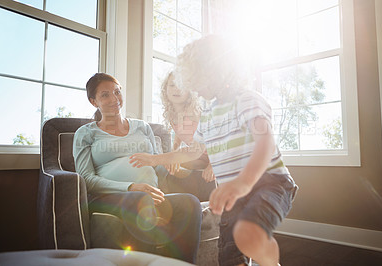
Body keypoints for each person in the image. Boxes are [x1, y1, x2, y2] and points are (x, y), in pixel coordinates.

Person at [129, 35, 298, 266]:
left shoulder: (247, 100)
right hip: (233, 196)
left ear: (218, 70)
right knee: (230, 256)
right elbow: (192, 151)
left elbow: (265, 143)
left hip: (269, 184)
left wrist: (243, 183)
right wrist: (154, 158)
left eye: (197, 77)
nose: (193, 85)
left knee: (250, 236)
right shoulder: (208, 113)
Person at [72, 73, 202, 264]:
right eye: (105, 95)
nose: (115, 99)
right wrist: (131, 187)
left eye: (117, 92)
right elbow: (86, 179)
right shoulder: (86, 134)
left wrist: (171, 166)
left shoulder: (142, 127)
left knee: (190, 202)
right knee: (141, 200)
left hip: (151, 194)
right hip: (109, 197)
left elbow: (157, 166)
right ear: (94, 102)